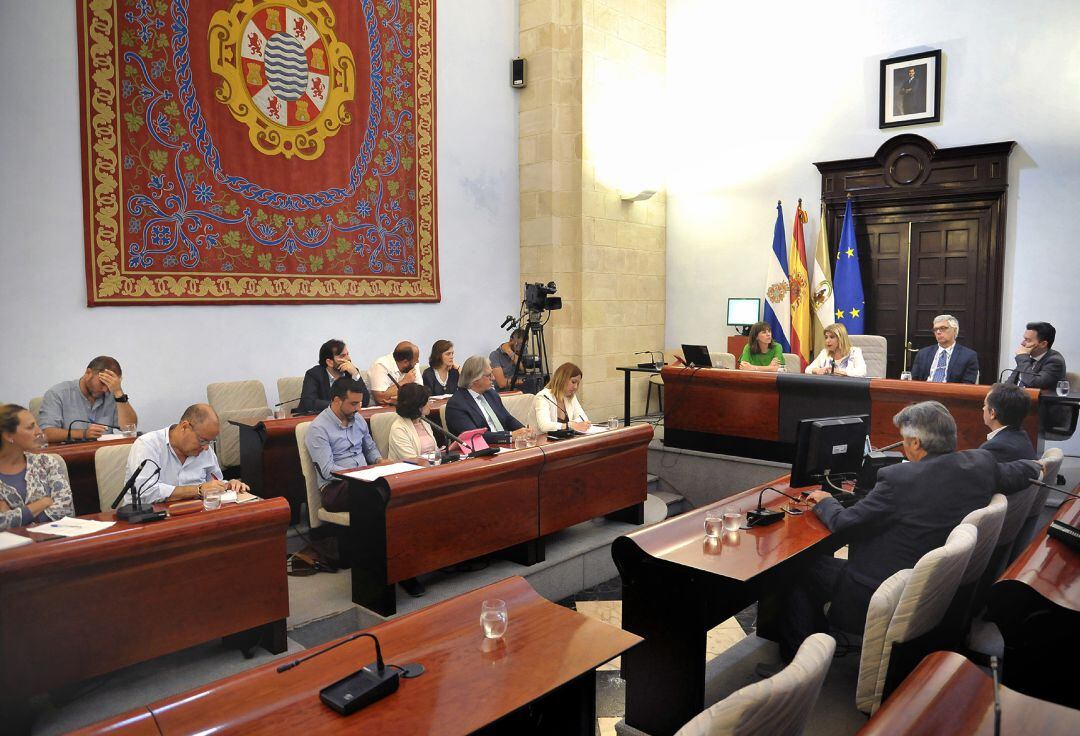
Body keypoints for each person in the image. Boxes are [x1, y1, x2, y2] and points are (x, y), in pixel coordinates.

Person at [768, 401, 1039, 670]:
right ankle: (818, 641)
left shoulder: (900, 478)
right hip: (928, 588)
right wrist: (1039, 466)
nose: (903, 447)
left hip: (876, 591)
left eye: (904, 441)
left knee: (796, 567)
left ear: (917, 444)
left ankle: (796, 667)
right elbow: (1024, 471)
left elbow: (844, 524)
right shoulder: (980, 464)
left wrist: (825, 500)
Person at [305, 378, 423, 597]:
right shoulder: (318, 429)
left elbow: (371, 452)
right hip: (337, 489)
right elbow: (328, 470)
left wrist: (382, 463)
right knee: (381, 497)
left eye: (360, 404)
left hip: (366, 480)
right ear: (336, 400)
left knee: (404, 490)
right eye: (353, 404)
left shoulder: (358, 420)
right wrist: (364, 476)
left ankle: (405, 565)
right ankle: (394, 572)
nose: (358, 409)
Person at [123, 404, 248, 505]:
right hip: (148, 521)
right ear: (185, 426)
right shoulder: (147, 445)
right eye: (202, 440)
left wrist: (229, 485)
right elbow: (145, 493)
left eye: (210, 442)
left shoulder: (205, 449)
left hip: (193, 516)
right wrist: (198, 490)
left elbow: (213, 484)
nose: (206, 447)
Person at [0, 404, 74, 531]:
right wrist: (43, 503)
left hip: (53, 543)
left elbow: (65, 511)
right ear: (8, 436)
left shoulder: (46, 462)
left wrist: (13, 517)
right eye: (30, 427)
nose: (39, 432)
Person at [38, 356, 139, 443]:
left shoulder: (112, 394)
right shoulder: (58, 393)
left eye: (109, 385)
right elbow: (46, 433)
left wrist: (119, 393)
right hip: (70, 457)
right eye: (103, 383)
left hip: (104, 456)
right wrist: (84, 433)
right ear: (88, 373)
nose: (105, 389)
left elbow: (130, 428)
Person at [445, 355, 530, 444]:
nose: (493, 378)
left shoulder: (491, 394)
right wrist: (510, 436)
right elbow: (474, 436)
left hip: (506, 445)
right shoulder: (456, 404)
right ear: (475, 379)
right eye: (489, 375)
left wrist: (523, 430)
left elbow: (507, 418)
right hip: (483, 452)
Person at [297, 339, 370, 414]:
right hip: (317, 419)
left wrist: (355, 374)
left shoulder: (351, 372)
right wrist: (342, 405)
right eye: (343, 356)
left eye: (348, 354)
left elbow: (365, 401)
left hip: (346, 419)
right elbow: (309, 403)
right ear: (329, 362)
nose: (348, 359)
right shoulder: (314, 374)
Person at [909, 315, 979, 384]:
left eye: (943, 328)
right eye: (935, 329)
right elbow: (914, 380)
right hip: (925, 392)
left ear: (954, 330)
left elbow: (967, 385)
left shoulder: (968, 356)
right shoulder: (923, 353)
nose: (938, 332)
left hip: (951, 393)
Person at [981, 383, 1037, 462]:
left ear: (992, 413)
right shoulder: (1021, 435)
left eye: (985, 405)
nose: (983, 408)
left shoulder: (995, 447)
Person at [387, 383, 441, 461]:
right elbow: (411, 460)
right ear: (418, 405)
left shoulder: (424, 422)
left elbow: (435, 451)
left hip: (430, 467)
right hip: (409, 470)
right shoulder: (399, 429)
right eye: (428, 401)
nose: (430, 404)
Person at [533, 362, 590, 433]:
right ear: (562, 379)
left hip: (562, 440)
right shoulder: (543, 396)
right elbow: (544, 426)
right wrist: (569, 426)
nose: (575, 387)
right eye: (573, 382)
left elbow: (584, 418)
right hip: (540, 441)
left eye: (578, 383)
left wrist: (574, 425)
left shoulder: (571, 397)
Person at [1009, 321, 1066, 389]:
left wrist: (1022, 357)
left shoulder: (1055, 361)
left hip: (1038, 399)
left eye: (1028, 340)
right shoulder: (1029, 358)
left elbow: (1032, 384)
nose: (1022, 343)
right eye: (1024, 339)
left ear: (1043, 344)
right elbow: (1009, 384)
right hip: (1017, 398)